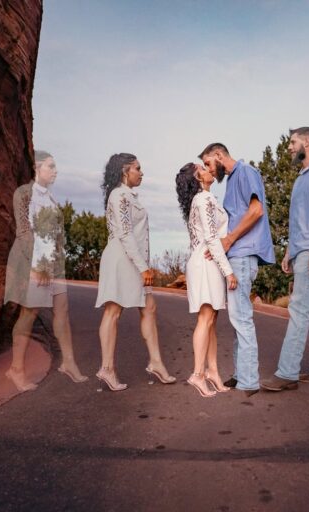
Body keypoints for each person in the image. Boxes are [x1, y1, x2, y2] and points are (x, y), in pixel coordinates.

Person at [261, 127, 309, 392]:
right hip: (300, 250)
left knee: (298, 308)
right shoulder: (299, 179)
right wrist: (288, 252)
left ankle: (287, 372)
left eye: (293, 143)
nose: (290, 147)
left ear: (307, 142)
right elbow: (297, 221)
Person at [3, 150, 87, 392]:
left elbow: (56, 234)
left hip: (53, 265)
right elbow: (24, 231)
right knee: (29, 312)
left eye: (55, 166)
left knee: (63, 311)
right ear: (37, 168)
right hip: (34, 263)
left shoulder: (50, 198)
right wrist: (38, 265)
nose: (55, 171)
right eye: (50, 166)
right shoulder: (24, 193)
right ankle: (16, 369)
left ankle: (69, 363)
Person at [198, 143, 275, 397]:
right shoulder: (232, 180)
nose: (209, 168)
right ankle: (241, 373)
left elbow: (256, 210)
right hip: (236, 256)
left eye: (209, 163)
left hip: (243, 256)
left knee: (241, 319)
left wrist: (229, 240)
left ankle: (249, 380)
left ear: (219, 155)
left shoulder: (245, 172)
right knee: (237, 319)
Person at [95, 153, 176, 391]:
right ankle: (107, 368)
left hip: (131, 258)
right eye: (138, 168)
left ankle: (156, 363)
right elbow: (124, 233)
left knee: (148, 307)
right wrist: (143, 267)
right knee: (113, 311)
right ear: (124, 171)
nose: (141, 173)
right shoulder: (119, 195)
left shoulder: (127, 196)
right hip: (121, 259)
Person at [175, 163, 238, 398]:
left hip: (206, 262)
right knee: (205, 317)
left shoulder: (207, 198)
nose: (209, 169)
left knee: (211, 318)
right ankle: (198, 374)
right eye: (202, 168)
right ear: (197, 178)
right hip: (204, 264)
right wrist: (228, 271)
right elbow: (212, 238)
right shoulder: (203, 200)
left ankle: (213, 371)